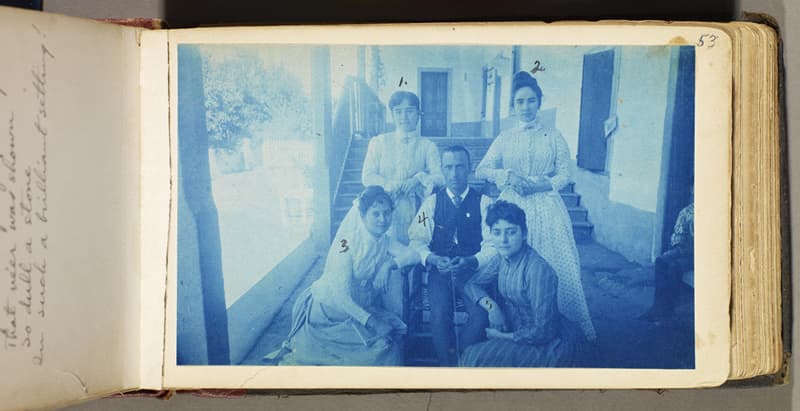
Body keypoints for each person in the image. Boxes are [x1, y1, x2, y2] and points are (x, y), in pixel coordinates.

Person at [475, 71, 595, 341]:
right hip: (514, 207)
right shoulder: (505, 137)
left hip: (546, 209)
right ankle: (517, 326)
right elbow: (482, 168)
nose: (526, 107)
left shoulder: (553, 135)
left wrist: (540, 185)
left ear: (539, 102)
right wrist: (506, 176)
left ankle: (561, 330)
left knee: (552, 267)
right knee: (510, 264)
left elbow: (565, 174)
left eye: (531, 101)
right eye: (520, 102)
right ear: (513, 106)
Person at [267, 186, 420, 366]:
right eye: (375, 214)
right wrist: (372, 322)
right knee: (382, 349)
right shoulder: (345, 243)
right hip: (329, 312)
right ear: (362, 216)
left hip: (356, 307)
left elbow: (414, 254)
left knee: (390, 345)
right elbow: (340, 296)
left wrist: (388, 265)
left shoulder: (384, 241)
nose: (382, 220)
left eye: (386, 213)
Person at [459, 201, 579, 367]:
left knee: (473, 358)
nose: (503, 240)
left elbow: (544, 331)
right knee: (470, 351)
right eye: (497, 232)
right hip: (515, 329)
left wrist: (502, 337)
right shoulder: (503, 258)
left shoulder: (538, 270)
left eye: (511, 232)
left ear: (524, 234)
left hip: (546, 345)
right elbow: (472, 284)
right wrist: (491, 306)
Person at [408, 145, 495, 366]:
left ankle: (460, 361)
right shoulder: (431, 203)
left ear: (470, 169)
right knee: (438, 316)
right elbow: (416, 239)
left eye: (460, 167)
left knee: (481, 316)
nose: (454, 174)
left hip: (474, 274)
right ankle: (447, 368)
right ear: (443, 171)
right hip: (441, 272)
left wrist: (472, 260)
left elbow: (493, 245)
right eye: (448, 168)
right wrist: (432, 258)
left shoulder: (484, 203)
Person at [362, 90, 444, 245]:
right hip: (383, 206)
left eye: (409, 111)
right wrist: (390, 184)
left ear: (418, 114)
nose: (404, 117)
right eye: (398, 112)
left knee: (413, 246)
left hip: (416, 207)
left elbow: (440, 177)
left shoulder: (427, 146)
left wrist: (418, 179)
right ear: (392, 115)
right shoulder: (379, 142)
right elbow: (367, 176)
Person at [641, 198, 694, 321]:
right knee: (661, 261)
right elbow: (678, 235)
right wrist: (679, 248)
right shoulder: (687, 211)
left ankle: (668, 310)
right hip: (685, 250)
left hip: (700, 254)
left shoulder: (710, 212)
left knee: (675, 267)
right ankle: (656, 307)